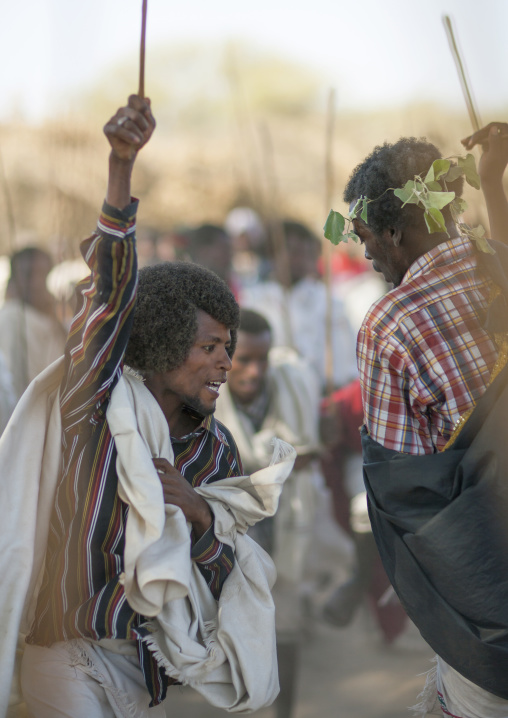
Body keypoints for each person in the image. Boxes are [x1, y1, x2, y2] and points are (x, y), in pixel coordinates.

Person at [1, 96, 294, 717]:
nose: (225, 362)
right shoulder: (97, 407)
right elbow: (107, 301)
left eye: (230, 348)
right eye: (210, 347)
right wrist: (120, 171)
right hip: (64, 655)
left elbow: (217, 581)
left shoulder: (213, 451)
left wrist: (201, 518)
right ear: (161, 345)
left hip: (142, 674)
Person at [345, 135, 508, 717]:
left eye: (364, 238)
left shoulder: (390, 323)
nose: (366, 256)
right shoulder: (501, 261)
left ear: (393, 233)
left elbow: (407, 489)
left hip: (491, 576)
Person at [214, 308, 336, 718]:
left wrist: (324, 427)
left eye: (262, 359)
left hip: (283, 525)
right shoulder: (203, 398)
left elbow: (311, 445)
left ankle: (284, 712)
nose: (254, 371)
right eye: (243, 360)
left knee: (285, 623)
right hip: (228, 529)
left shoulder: (294, 386)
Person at [241, 220, 357, 391]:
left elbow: (345, 365)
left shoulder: (329, 302)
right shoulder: (254, 300)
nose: (301, 259)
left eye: (307, 253)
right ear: (273, 254)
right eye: (294, 252)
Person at [0, 246, 66, 401]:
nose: (36, 283)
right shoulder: (12, 316)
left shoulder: (49, 317)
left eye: (42, 275)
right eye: (29, 275)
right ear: (16, 279)